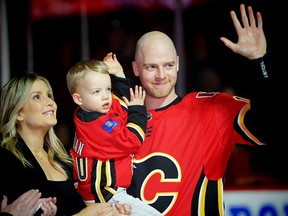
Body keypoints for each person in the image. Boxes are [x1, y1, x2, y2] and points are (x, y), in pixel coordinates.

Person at [126, 4, 272, 215]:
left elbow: (268, 127)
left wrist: (260, 61)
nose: (160, 75)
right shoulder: (121, 120)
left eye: (167, 65)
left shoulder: (208, 110)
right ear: (135, 68)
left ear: (177, 63)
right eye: (151, 67)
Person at [0, 73, 131, 216]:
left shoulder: (63, 159)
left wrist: (110, 211)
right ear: (19, 112)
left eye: (49, 95)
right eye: (37, 97)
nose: (50, 102)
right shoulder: (6, 159)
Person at [66, 53, 163, 216]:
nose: (105, 96)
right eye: (96, 91)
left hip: (105, 193)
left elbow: (120, 105)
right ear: (78, 99)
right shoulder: (98, 125)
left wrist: (118, 74)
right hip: (105, 195)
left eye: (108, 89)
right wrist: (138, 109)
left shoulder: (93, 111)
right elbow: (132, 140)